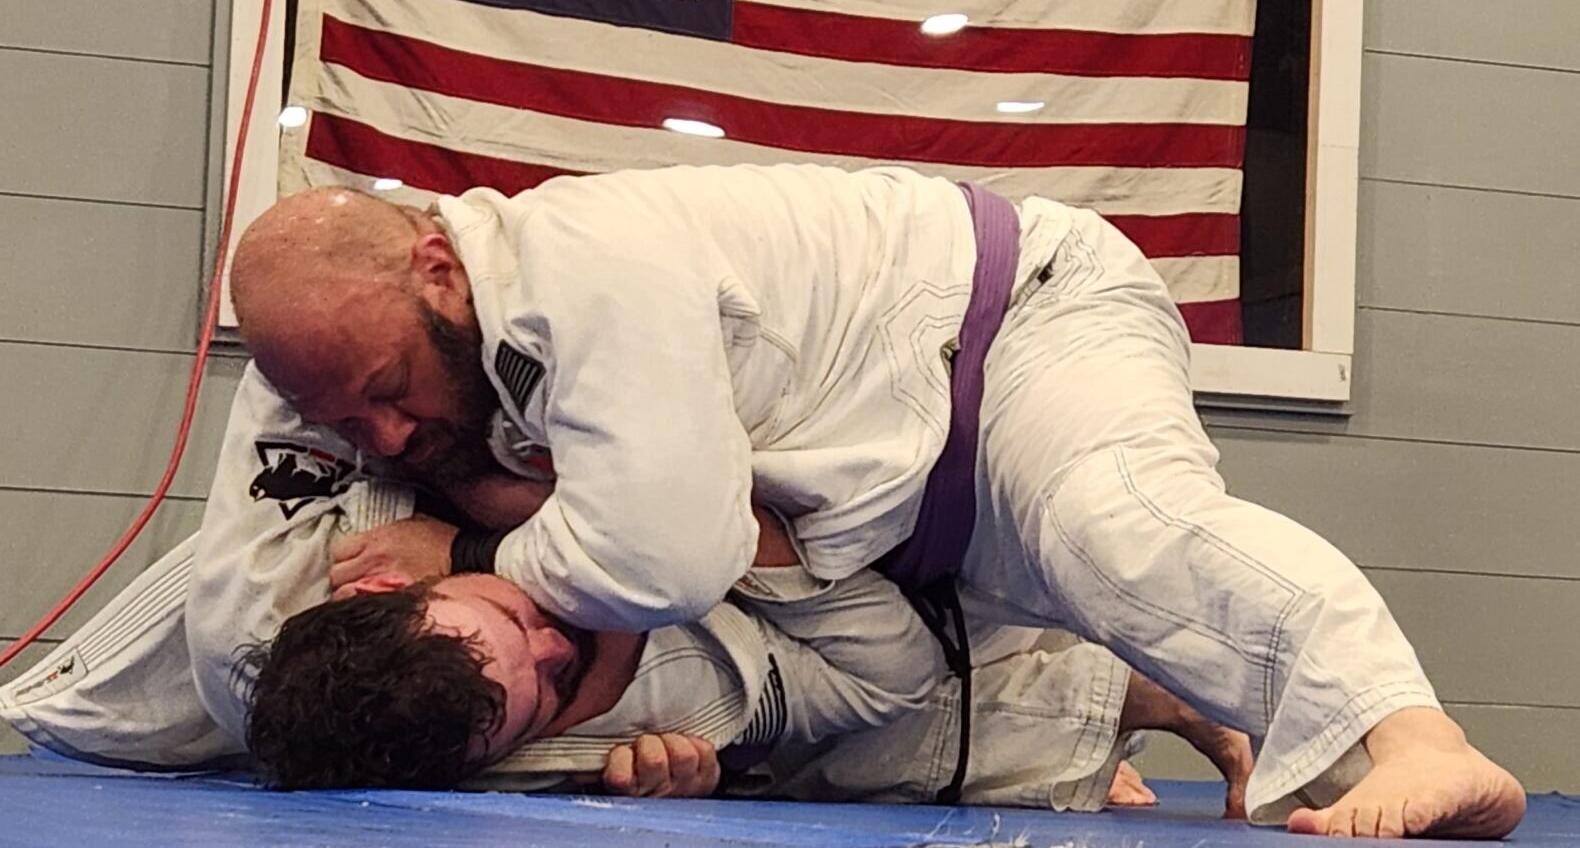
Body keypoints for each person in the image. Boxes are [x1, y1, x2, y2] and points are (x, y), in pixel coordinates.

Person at [202, 165, 1524, 838]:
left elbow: (662, 555)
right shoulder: (373, 369)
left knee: (1114, 528)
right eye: (342, 420)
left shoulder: (574, 262)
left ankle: (1422, 740)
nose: (381, 436)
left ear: (436, 264)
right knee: (1015, 659)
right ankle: (1305, 751)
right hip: (909, 527)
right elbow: (226, 641)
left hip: (1013, 330)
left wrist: (473, 538)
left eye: (381, 391)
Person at [243, 499, 1251, 811]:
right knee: (845, 749)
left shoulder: (340, 533)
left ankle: (1161, 697)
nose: (556, 643)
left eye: (509, 623)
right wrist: (643, 776)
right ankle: (1129, 714)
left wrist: (476, 543)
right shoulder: (476, 749)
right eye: (541, 686)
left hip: (775, 518)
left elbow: (84, 699)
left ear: (389, 587)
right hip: (767, 663)